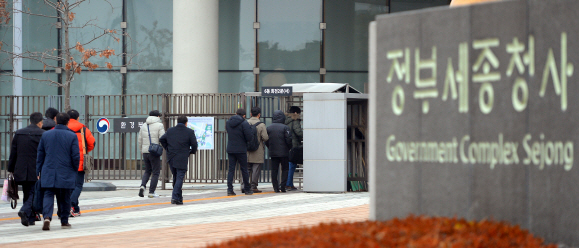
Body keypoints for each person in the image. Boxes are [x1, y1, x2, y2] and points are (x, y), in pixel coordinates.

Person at [37, 113, 80, 230]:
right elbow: (76, 156)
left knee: (48, 194)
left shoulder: (46, 135)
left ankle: (47, 217)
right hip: (66, 170)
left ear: (56, 121)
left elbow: (40, 154)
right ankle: (64, 221)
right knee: (65, 196)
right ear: (68, 122)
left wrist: (38, 170)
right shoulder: (72, 136)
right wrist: (74, 169)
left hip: (49, 170)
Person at [7, 112, 45, 227]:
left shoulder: (19, 133)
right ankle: (24, 210)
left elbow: (13, 153)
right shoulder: (43, 134)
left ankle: (30, 218)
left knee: (27, 192)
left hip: (21, 168)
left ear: (29, 121)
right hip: (36, 168)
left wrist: (11, 168)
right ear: (40, 123)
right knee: (33, 193)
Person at [159, 115, 197, 205]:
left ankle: (179, 199)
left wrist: (167, 148)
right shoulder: (189, 132)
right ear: (186, 123)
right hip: (182, 157)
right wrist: (191, 152)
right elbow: (194, 144)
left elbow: (162, 139)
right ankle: (174, 197)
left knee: (176, 177)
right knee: (179, 177)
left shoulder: (170, 130)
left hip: (171, 156)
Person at [67, 109, 96, 217]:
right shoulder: (83, 129)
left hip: (65, 161)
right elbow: (92, 143)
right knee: (78, 185)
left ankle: (75, 208)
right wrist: (85, 150)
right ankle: (69, 205)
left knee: (69, 186)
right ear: (78, 118)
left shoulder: (63, 128)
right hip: (80, 161)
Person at [225, 108, 253, 196]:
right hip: (241, 149)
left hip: (231, 149)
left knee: (231, 170)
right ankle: (247, 189)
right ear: (244, 115)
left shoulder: (228, 122)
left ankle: (230, 190)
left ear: (236, 113)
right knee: (244, 169)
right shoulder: (244, 123)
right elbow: (249, 137)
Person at [138, 110, 165, 198]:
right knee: (156, 172)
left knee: (147, 170)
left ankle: (143, 185)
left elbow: (140, 139)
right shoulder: (160, 125)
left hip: (145, 152)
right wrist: (161, 147)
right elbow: (162, 138)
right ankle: (151, 192)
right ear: (157, 116)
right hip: (154, 152)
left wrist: (141, 149)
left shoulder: (144, 125)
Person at [243, 107, 269, 193]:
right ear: (259, 115)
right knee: (256, 169)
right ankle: (253, 186)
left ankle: (245, 186)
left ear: (250, 114)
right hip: (258, 150)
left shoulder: (245, 123)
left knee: (247, 168)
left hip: (247, 150)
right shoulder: (261, 125)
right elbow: (265, 138)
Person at [265, 110, 292, 193]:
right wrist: (288, 148)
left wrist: (270, 147)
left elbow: (266, 140)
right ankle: (283, 186)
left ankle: (275, 188)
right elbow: (289, 140)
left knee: (274, 170)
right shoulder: (285, 127)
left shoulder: (269, 128)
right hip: (284, 153)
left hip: (273, 152)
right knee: (285, 169)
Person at [285, 106, 303, 191]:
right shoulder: (295, 120)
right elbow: (298, 132)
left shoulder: (285, 120)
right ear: (296, 113)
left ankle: (289, 183)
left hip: (286, 145)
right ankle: (288, 184)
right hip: (294, 146)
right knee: (292, 165)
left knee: (288, 165)